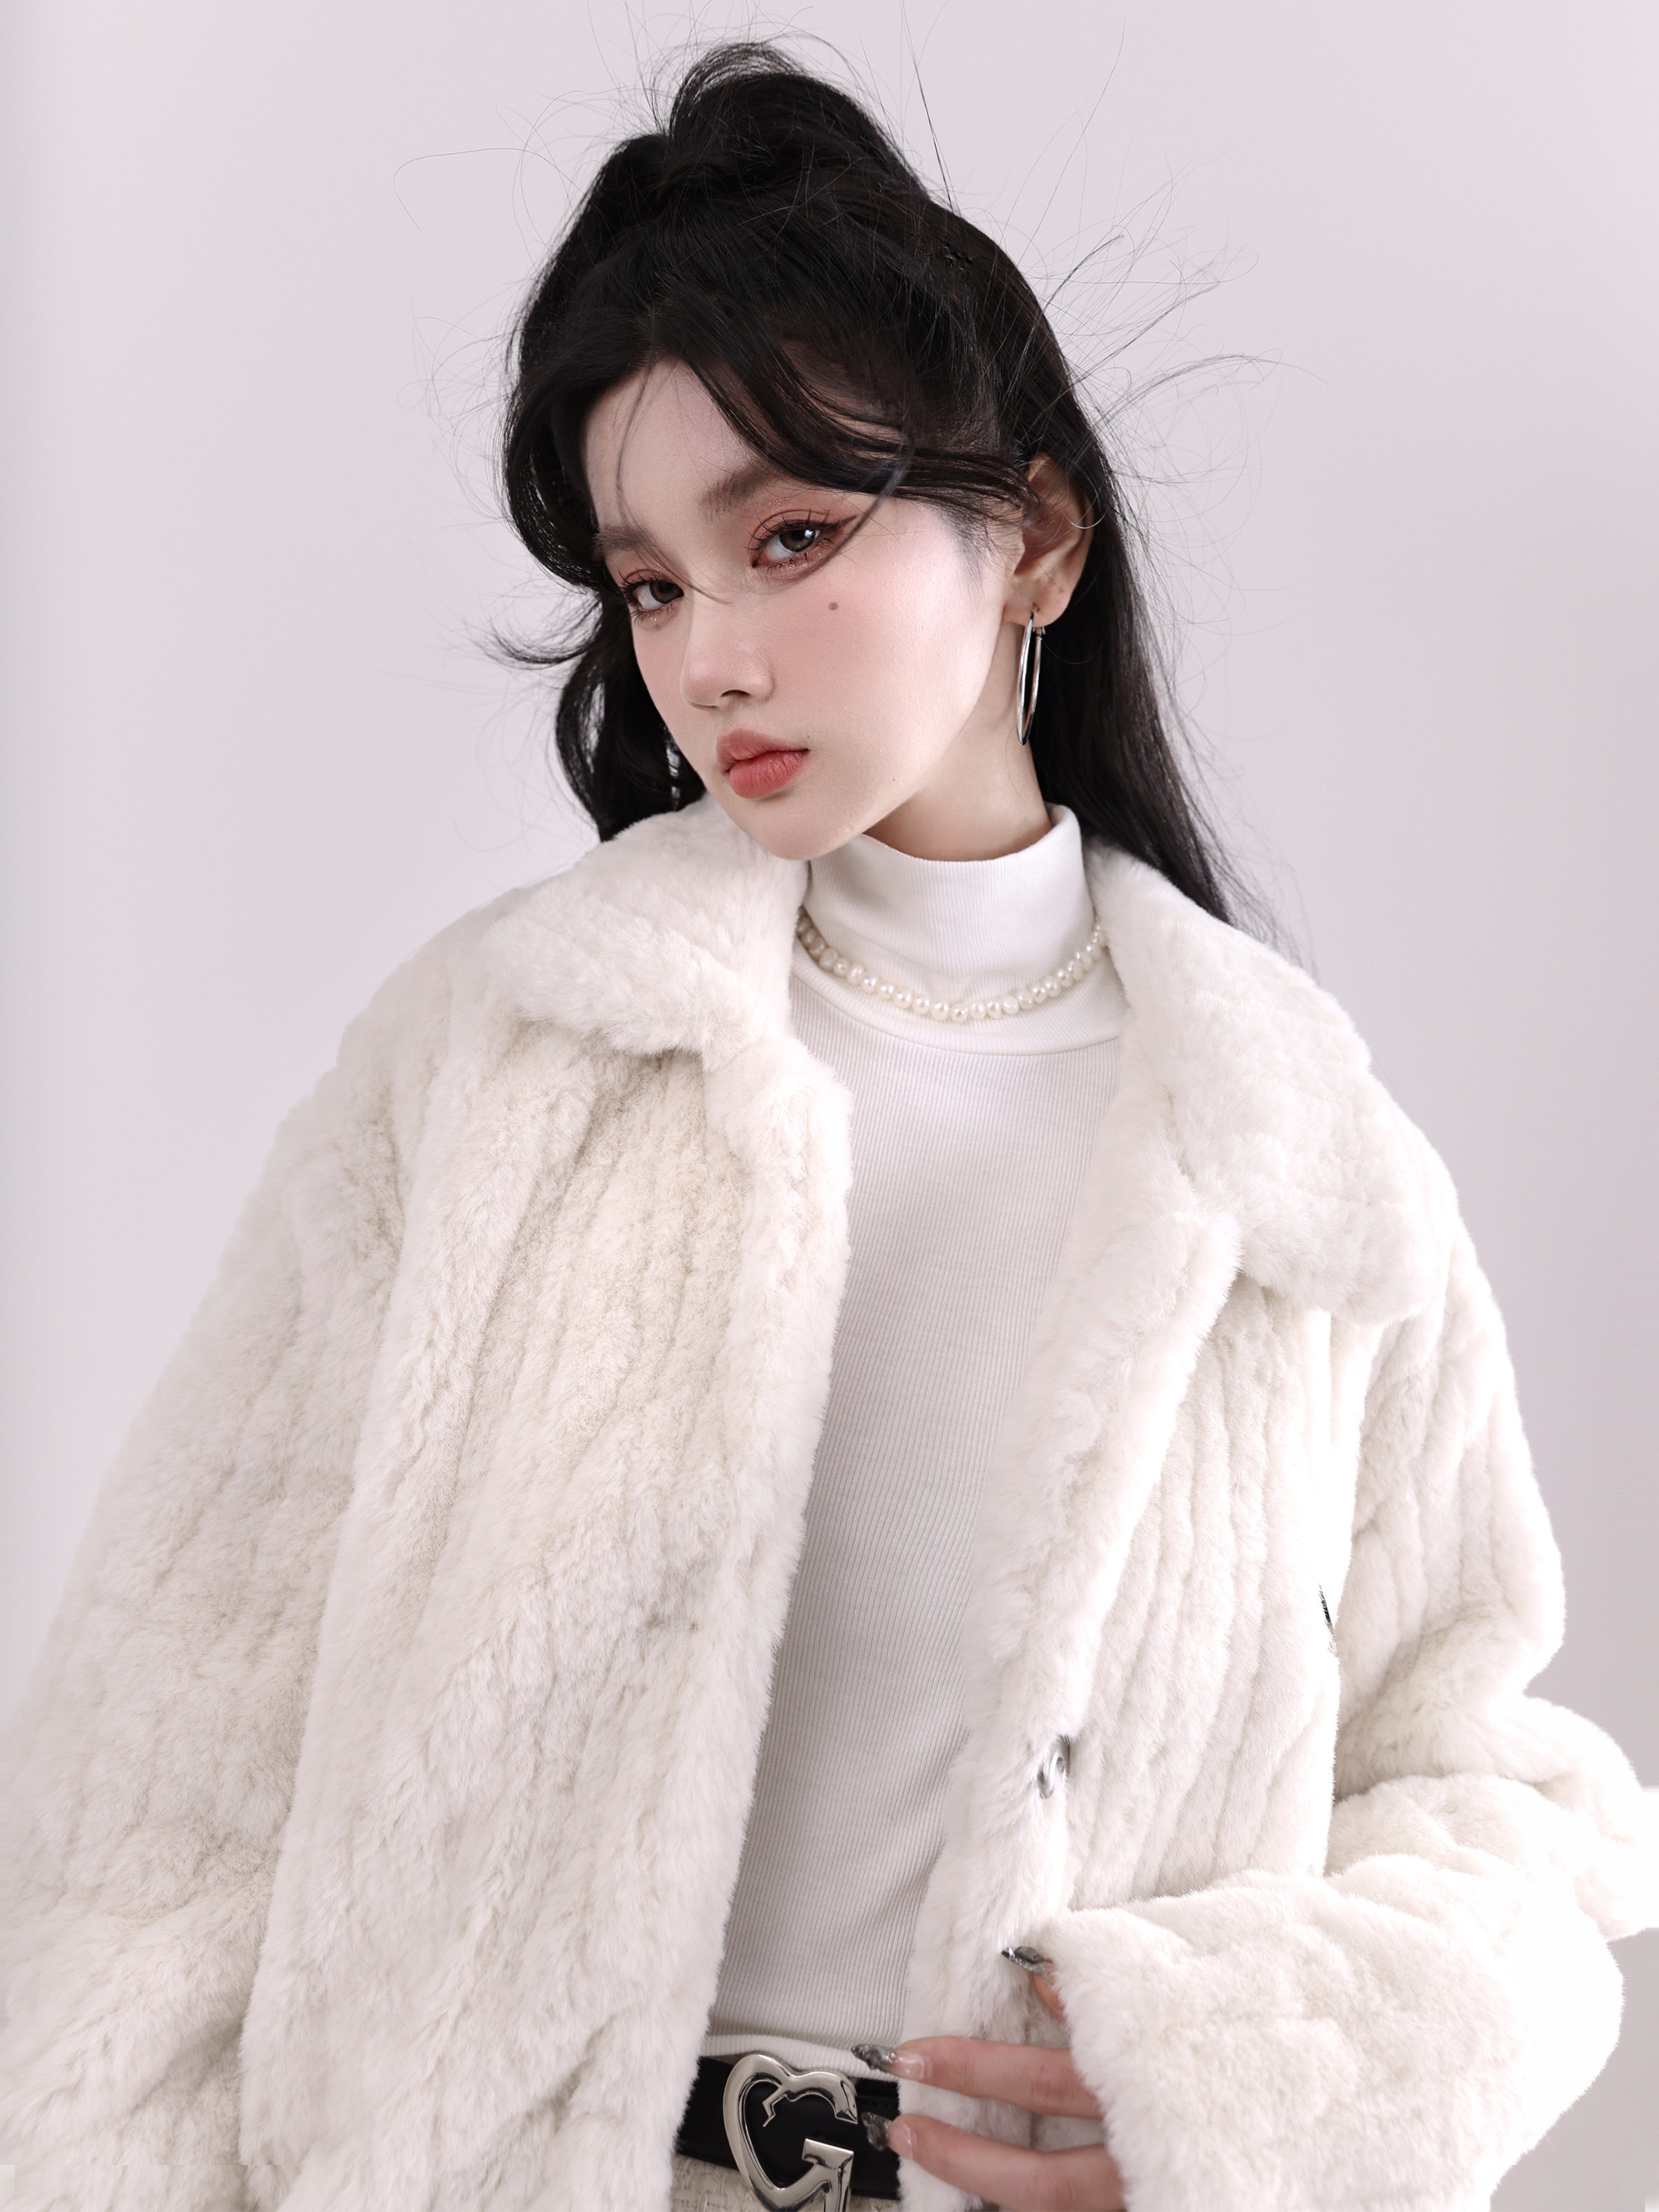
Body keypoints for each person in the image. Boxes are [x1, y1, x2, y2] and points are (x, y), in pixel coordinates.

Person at [1, 41, 1652, 2212]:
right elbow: (164, 1799)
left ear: (1034, 540)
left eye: (788, 539)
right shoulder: (500, 1068)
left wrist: (1246, 2082)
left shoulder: (1300, 1174)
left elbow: (1489, 1791)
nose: (709, 660)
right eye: (652, 583)